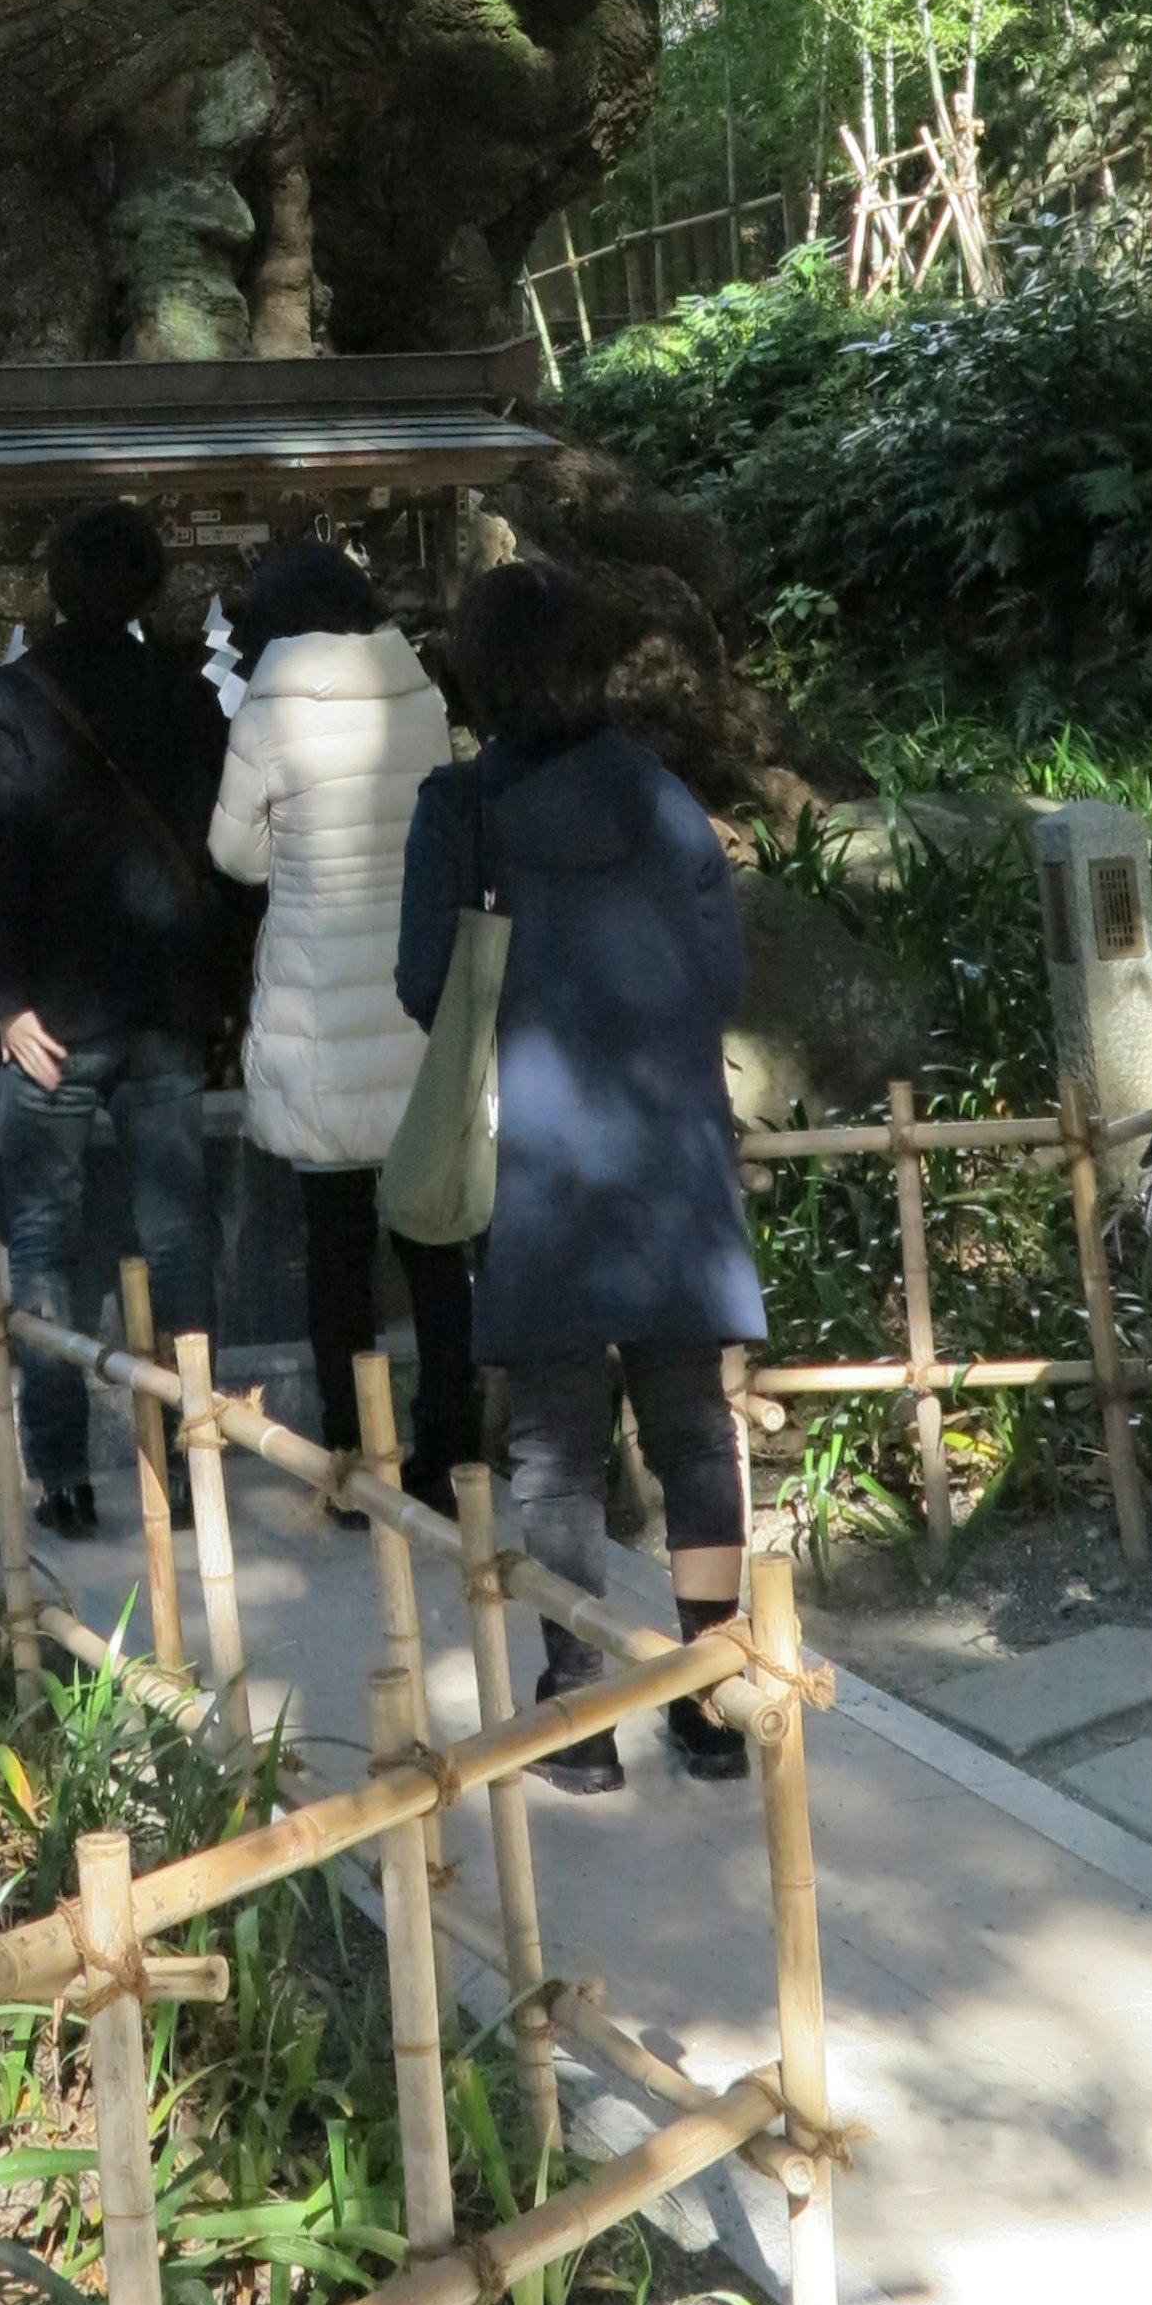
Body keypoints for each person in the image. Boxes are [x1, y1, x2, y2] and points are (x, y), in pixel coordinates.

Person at [395, 554, 767, 1794]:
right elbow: (720, 976)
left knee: (557, 1449)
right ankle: (715, 1697)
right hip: (670, 1155)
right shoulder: (664, 799)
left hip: (538, 1160)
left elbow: (422, 985)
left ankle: (582, 1709)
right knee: (694, 1428)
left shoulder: (460, 811)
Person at [0, 497, 230, 1534]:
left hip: (53, 1014)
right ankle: (189, 1441)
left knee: (43, 1236)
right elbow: (218, 852)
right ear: (151, 584)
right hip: (163, 998)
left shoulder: (8, 702)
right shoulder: (188, 695)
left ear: (55, 588)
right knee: (177, 1230)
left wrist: (4, 996)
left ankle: (63, 1473)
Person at [208, 534, 475, 1515]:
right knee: (434, 1248)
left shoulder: (267, 706)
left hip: (320, 1014)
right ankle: (452, 1453)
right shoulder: (419, 693)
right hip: (413, 1007)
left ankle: (357, 1459)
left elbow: (234, 854)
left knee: (334, 1252)